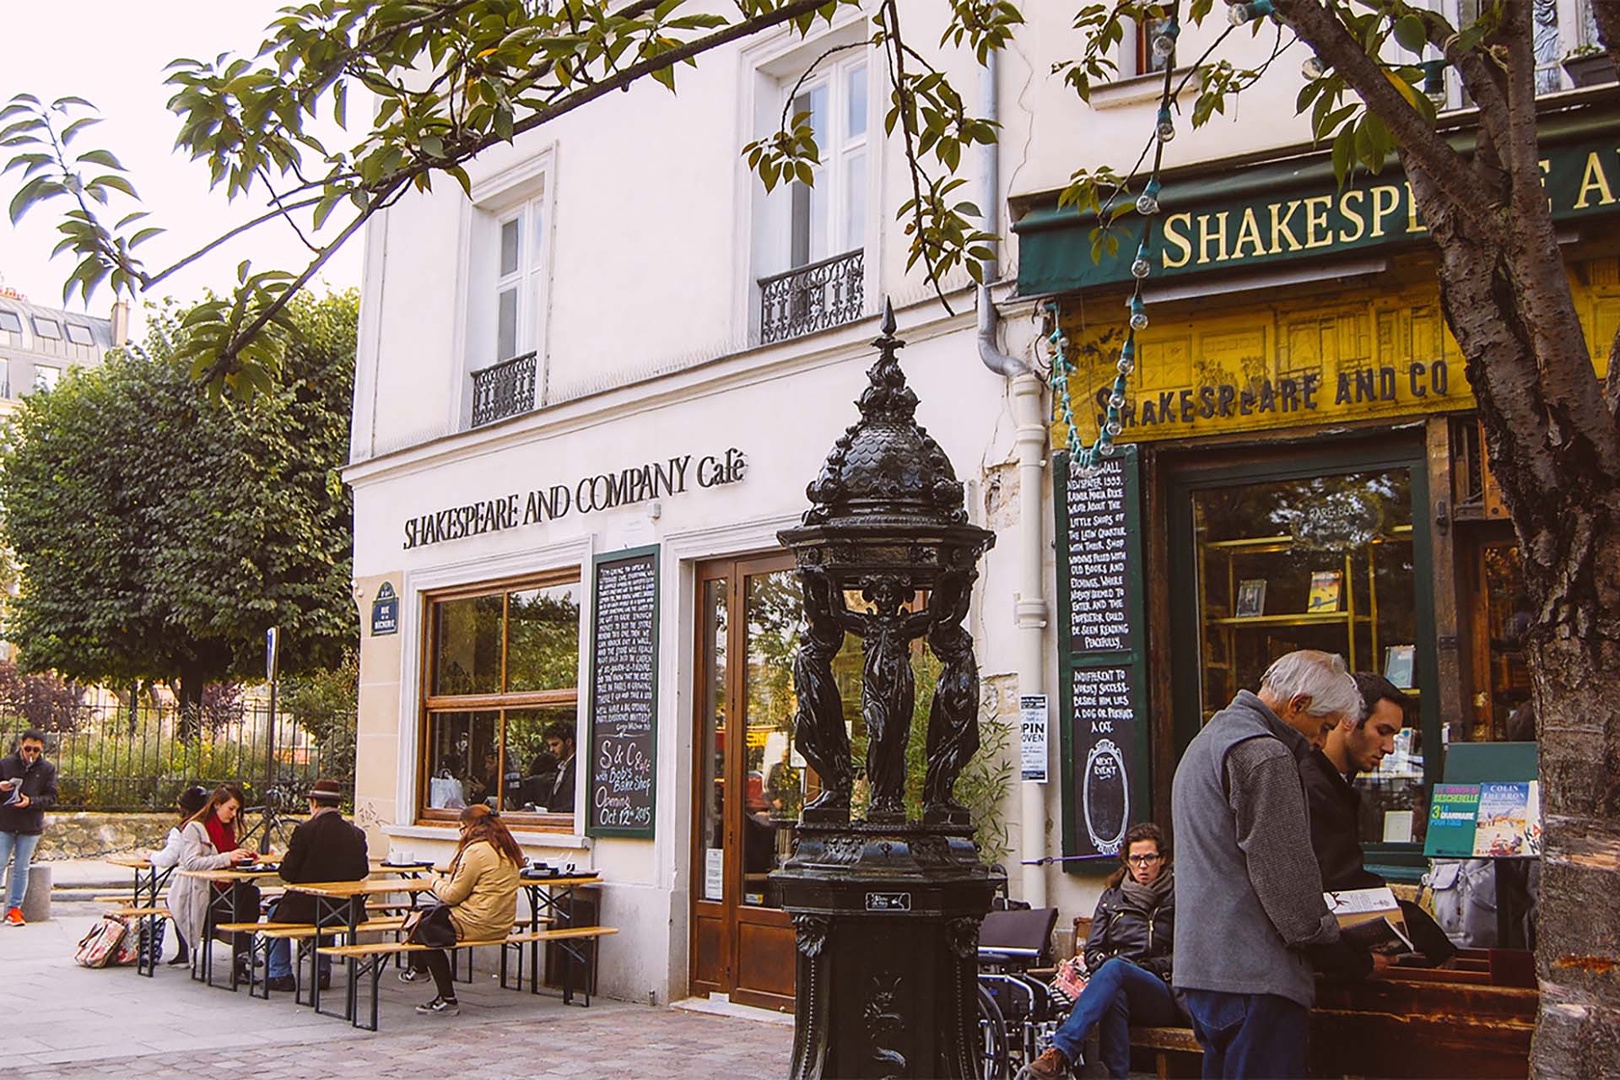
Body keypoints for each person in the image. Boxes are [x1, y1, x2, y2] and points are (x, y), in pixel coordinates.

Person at [1171, 650, 1359, 1078]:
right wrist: (1344, 953)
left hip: (1204, 972)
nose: (1322, 739)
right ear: (1299, 705)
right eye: (1324, 726)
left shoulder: (1208, 739)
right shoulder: (1265, 754)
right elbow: (1287, 883)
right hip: (1256, 977)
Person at [1301, 672, 1455, 969]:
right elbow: (1341, 885)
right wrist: (1425, 933)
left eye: (1394, 735)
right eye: (1382, 731)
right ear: (1348, 720)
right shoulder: (1315, 786)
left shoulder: (1332, 782)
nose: (1390, 747)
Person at [1021, 823, 1184, 1080]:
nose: (1143, 865)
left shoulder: (1179, 897)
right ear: (1127, 861)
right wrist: (1113, 968)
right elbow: (1094, 951)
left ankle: (1061, 1050)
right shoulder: (1112, 898)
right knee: (1115, 991)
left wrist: (1142, 968)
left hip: (1162, 992)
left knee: (1116, 969)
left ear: (1162, 860)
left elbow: (1186, 954)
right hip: (1119, 989)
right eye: (1136, 858)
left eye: (1149, 858)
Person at [399, 803, 522, 1016]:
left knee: (422, 922)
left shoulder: (476, 850)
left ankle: (443, 994)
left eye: (461, 829)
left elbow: (451, 895)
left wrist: (434, 881)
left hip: (476, 923)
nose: (461, 834)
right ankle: (418, 970)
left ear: (470, 827)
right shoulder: (506, 848)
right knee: (425, 916)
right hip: (502, 924)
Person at [265, 778, 369, 992]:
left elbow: (287, 873)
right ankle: (322, 971)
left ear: (313, 803)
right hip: (345, 910)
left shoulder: (305, 831)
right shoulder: (356, 833)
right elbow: (362, 871)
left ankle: (280, 973)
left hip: (307, 908)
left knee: (274, 912)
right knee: (327, 911)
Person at [171, 785, 260, 979]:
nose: (234, 815)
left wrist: (245, 859)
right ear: (217, 805)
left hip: (223, 891)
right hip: (201, 895)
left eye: (237, 810)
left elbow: (228, 857)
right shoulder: (195, 828)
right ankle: (243, 955)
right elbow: (192, 863)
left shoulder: (227, 830)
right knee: (248, 895)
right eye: (231, 808)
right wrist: (228, 857)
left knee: (250, 893)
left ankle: (242, 956)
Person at [0, 729, 57, 926]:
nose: (31, 753)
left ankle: (14, 909)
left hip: (29, 824)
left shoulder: (47, 769)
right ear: (21, 745)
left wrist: (30, 801)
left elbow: (52, 797)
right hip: (5, 821)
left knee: (21, 868)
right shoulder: (6, 764)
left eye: (36, 750)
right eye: (28, 748)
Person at [149, 784, 210, 965]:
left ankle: (184, 951)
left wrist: (150, 855)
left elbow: (168, 858)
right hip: (211, 883)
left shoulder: (183, 830)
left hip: (192, 886)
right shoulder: (209, 826)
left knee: (174, 901)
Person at [543, 721, 576, 814]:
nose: (551, 750)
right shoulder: (561, 768)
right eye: (549, 745)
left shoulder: (578, 767)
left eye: (555, 744)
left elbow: (573, 804)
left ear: (568, 742)